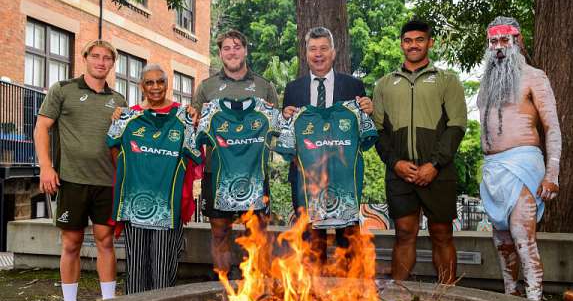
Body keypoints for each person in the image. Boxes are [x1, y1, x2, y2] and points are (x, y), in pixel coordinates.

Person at [34, 40, 127, 301]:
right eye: (95, 56)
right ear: (85, 58)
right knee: (71, 243)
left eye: (107, 58)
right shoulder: (63, 90)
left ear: (112, 63)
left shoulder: (118, 100)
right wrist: (46, 167)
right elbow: (41, 128)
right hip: (71, 180)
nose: (101, 62)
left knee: (105, 242)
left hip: (106, 182)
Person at [372, 20, 467, 284]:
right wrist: (395, 163)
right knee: (403, 232)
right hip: (399, 172)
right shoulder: (384, 84)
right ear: (401, 43)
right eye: (408, 40)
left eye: (419, 40)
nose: (413, 45)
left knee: (442, 232)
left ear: (430, 42)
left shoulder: (448, 80)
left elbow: (457, 126)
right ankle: (398, 296)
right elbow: (377, 131)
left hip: (439, 171)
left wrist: (434, 164)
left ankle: (447, 295)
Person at [478, 16, 561, 301]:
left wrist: (552, 174)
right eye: (493, 42)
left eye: (504, 40)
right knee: (502, 243)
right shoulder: (486, 83)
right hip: (493, 169)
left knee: (523, 238)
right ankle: (511, 300)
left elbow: (552, 127)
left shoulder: (534, 76)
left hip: (523, 165)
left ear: (518, 41)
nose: (499, 47)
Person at [282, 27, 374, 264]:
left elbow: (362, 136)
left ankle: (349, 296)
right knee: (311, 243)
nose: (318, 54)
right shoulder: (293, 89)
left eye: (324, 48)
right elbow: (289, 137)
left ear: (333, 53)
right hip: (306, 180)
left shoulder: (354, 87)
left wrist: (368, 112)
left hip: (343, 178)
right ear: (306, 54)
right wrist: (285, 117)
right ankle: (313, 296)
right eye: (313, 49)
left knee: (348, 242)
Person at [107, 64, 202, 294]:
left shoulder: (184, 117)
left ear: (167, 85)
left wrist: (195, 122)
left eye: (160, 82)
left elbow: (197, 157)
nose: (156, 87)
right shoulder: (128, 117)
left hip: (168, 207)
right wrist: (131, 175)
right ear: (142, 86)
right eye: (150, 82)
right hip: (135, 204)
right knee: (136, 266)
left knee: (163, 269)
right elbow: (114, 151)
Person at [192, 30, 279, 276]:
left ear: (245, 50)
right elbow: (195, 123)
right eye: (227, 48)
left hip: (254, 173)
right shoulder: (207, 87)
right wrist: (196, 115)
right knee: (219, 231)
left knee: (257, 233)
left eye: (237, 47)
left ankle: (258, 291)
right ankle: (223, 290)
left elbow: (277, 128)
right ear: (220, 53)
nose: (232, 52)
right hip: (216, 172)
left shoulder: (264, 86)